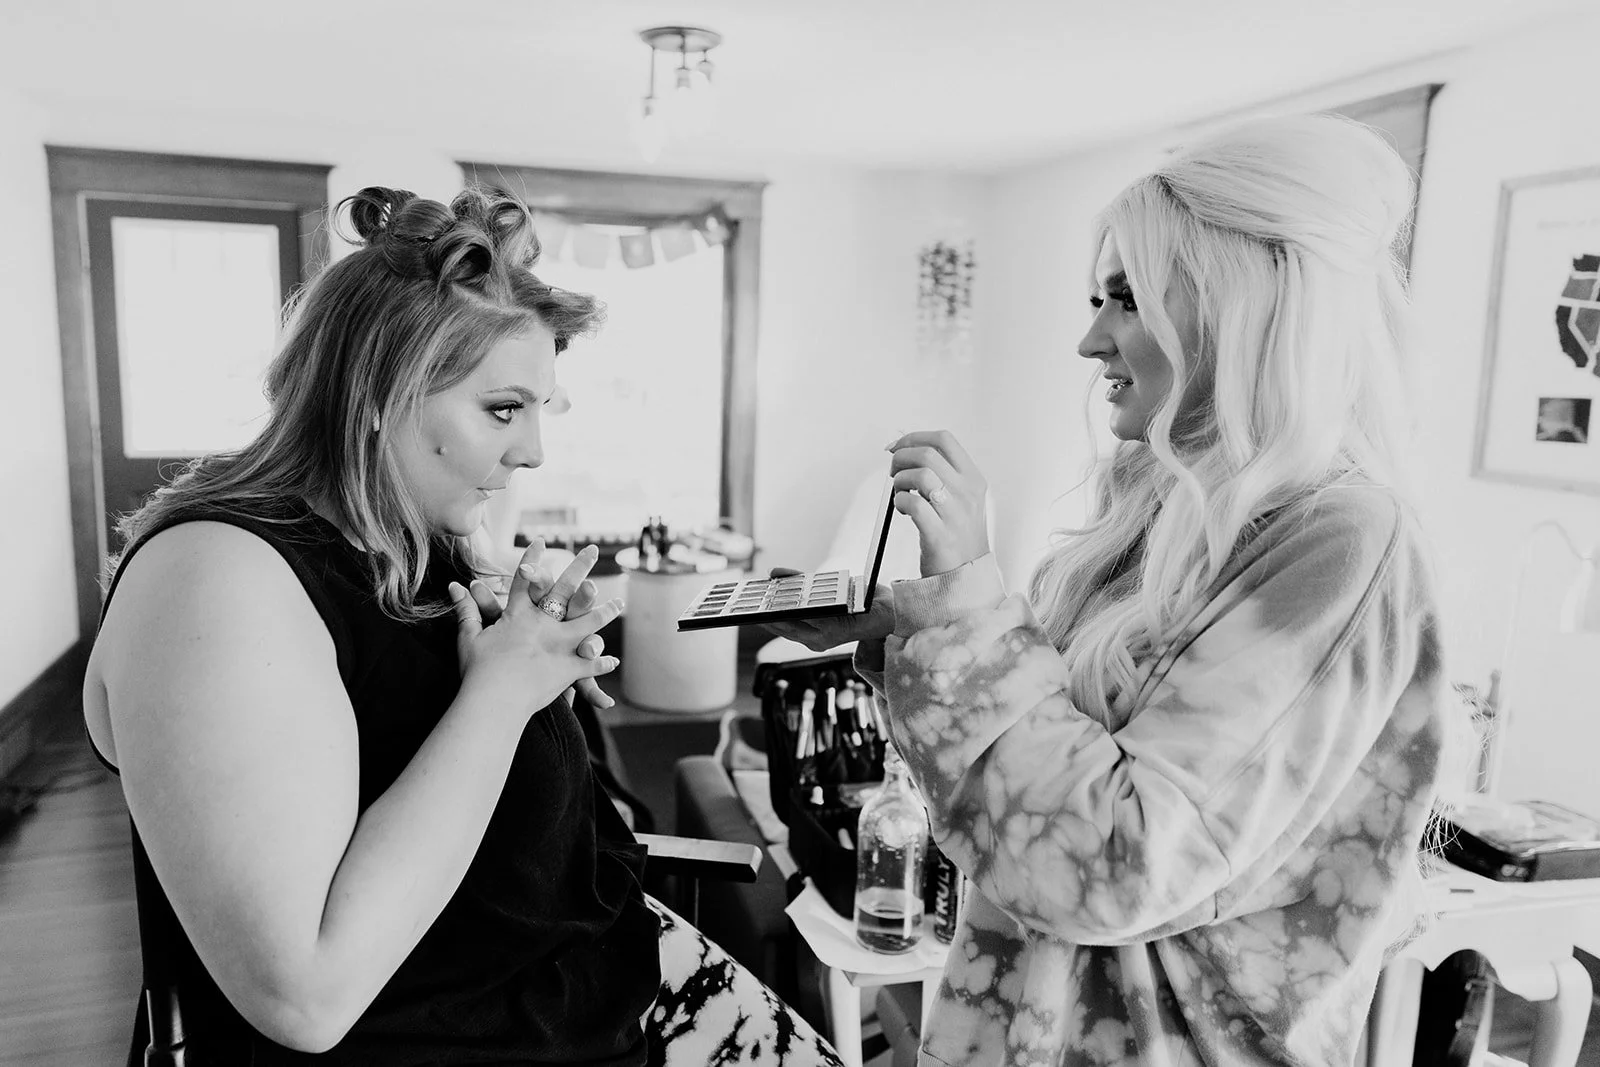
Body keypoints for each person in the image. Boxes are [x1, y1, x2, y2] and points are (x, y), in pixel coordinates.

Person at [83, 185, 842, 1066]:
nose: (533, 452)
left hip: (606, 981)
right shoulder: (214, 582)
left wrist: (540, 668)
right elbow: (306, 995)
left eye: (539, 410)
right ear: (378, 390)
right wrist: (500, 695)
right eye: (504, 408)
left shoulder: (405, 535)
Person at [770, 115, 1461, 1065]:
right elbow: (1051, 745)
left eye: (1128, 300)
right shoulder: (1158, 503)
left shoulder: (1341, 544)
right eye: (1100, 298)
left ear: (1243, 309)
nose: (1090, 339)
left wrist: (969, 609)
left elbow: (1111, 862)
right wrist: (916, 629)